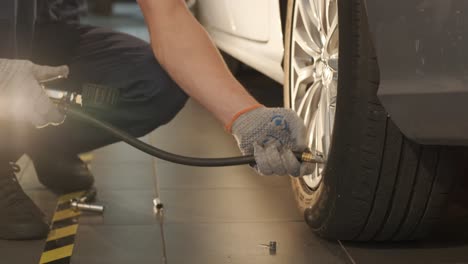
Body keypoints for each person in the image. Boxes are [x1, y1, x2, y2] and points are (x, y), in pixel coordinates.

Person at [0, 0, 313, 240]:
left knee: (152, 81)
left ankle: (43, 138)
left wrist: (245, 115)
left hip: (43, 32)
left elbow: (168, 14)